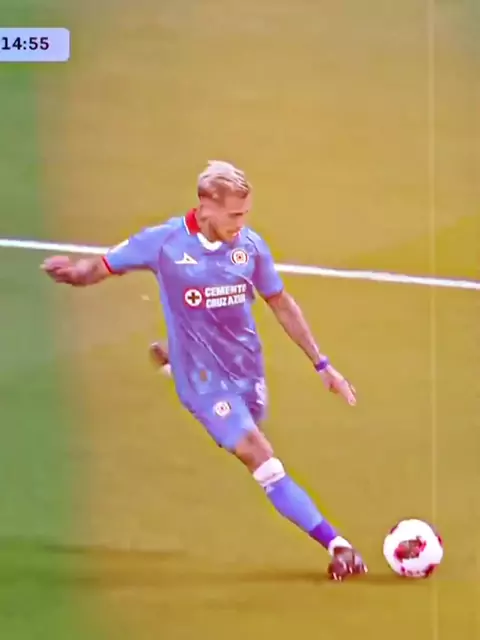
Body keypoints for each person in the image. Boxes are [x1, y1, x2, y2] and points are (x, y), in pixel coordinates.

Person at [41, 160, 367, 581]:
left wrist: (322, 364)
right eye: (234, 215)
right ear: (206, 206)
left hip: (247, 369)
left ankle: (174, 356)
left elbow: (281, 303)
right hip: (206, 384)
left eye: (245, 214)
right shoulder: (164, 243)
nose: (241, 224)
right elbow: (102, 266)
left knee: (253, 424)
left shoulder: (250, 247)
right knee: (259, 455)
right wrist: (72, 274)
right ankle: (337, 545)